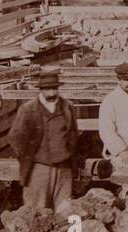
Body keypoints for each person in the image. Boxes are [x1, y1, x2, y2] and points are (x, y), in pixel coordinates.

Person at [9, 67, 79, 214]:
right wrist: (28, 157)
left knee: (65, 209)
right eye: (48, 89)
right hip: (39, 168)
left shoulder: (67, 107)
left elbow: (73, 134)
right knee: (37, 210)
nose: (52, 93)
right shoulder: (28, 110)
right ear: (40, 90)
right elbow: (15, 137)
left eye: (55, 89)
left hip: (64, 167)